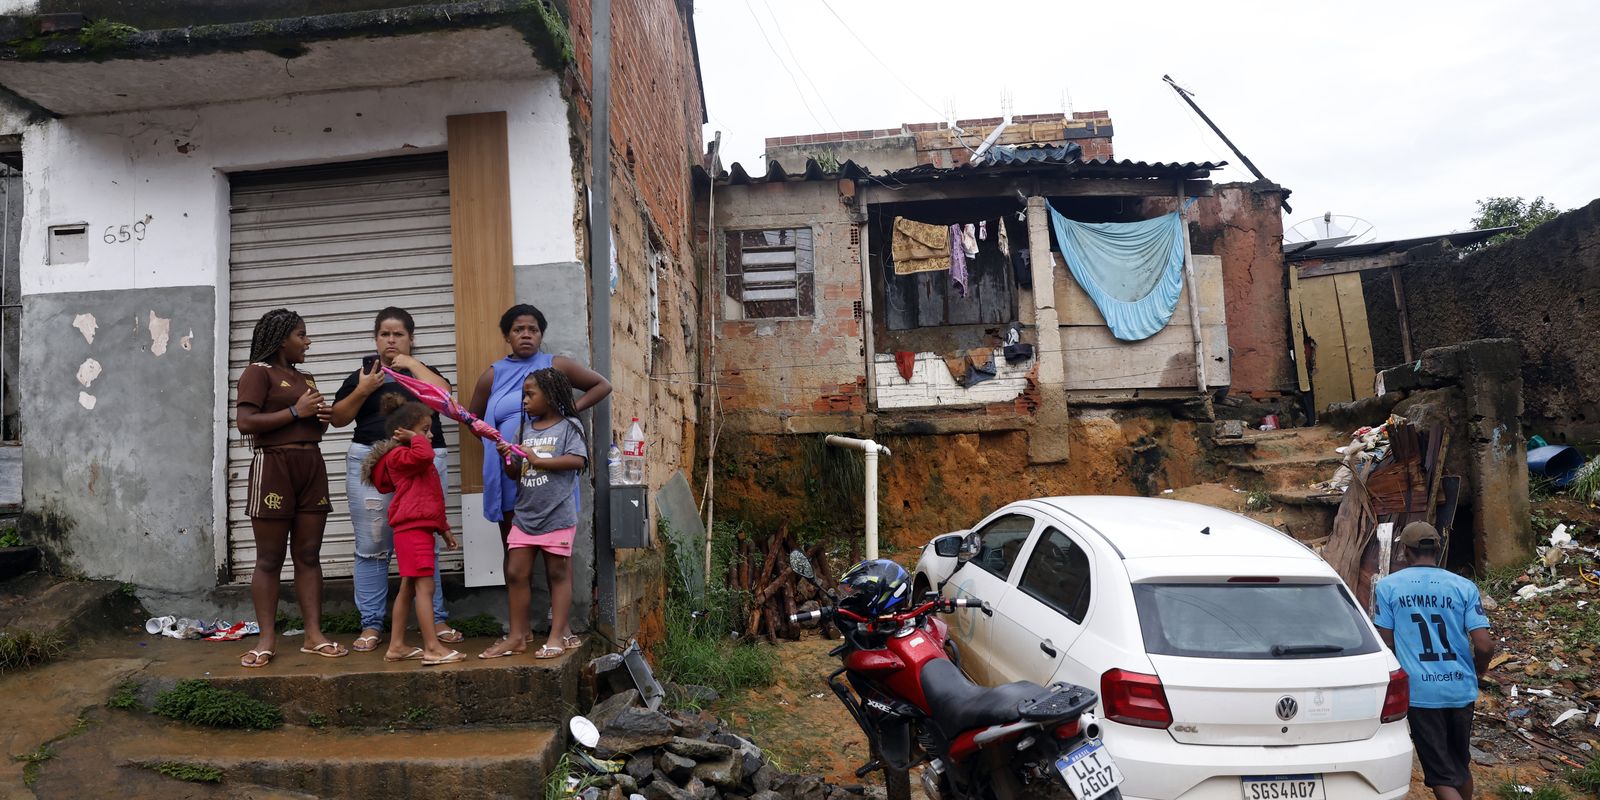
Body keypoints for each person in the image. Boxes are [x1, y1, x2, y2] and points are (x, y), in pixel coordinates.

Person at [467, 305, 609, 647]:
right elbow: (472, 418)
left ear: (541, 334)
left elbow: (601, 385)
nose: (526, 334)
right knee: (515, 553)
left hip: (549, 479)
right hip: (509, 471)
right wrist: (497, 445)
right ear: (507, 336)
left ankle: (560, 628)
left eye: (533, 329)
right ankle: (520, 630)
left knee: (555, 555)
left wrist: (566, 414)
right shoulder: (493, 374)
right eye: (518, 329)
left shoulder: (554, 367)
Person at [330, 307, 462, 652]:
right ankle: (371, 624)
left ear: (411, 339)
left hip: (423, 463)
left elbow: (447, 402)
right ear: (375, 338)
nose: (391, 340)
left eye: (398, 334)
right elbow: (338, 419)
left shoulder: (422, 371)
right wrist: (363, 389)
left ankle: (435, 618)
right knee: (372, 545)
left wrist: (412, 366)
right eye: (384, 334)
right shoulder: (363, 374)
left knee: (425, 537)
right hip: (372, 463)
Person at [234, 308, 348, 668]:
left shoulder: (306, 377)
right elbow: (245, 422)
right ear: (283, 339)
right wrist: (296, 413)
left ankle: (313, 635)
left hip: (310, 465)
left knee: (309, 554)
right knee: (269, 558)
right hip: (274, 467)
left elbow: (312, 429)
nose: (308, 342)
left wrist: (321, 418)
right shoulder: (257, 373)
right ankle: (266, 639)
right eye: (302, 335)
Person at [1374, 522, 1495, 800]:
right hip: (1460, 690)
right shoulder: (1463, 586)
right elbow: (1484, 644)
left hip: (1421, 694)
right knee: (1459, 767)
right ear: (1438, 549)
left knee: (1440, 775)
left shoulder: (1389, 587)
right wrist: (1478, 670)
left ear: (1405, 551)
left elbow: (1387, 642)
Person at [482, 368, 588, 659]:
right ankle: (517, 636)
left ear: (552, 396)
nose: (524, 401)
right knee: (516, 572)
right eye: (523, 395)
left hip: (556, 515)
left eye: (530, 394)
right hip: (525, 515)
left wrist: (538, 459)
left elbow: (577, 460)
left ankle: (557, 635)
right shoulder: (524, 430)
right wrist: (509, 458)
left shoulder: (569, 427)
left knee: (557, 573)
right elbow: (516, 472)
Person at [360, 394, 465, 666]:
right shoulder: (400, 456)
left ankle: (396, 646)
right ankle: (432, 647)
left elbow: (431, 497)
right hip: (412, 530)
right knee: (426, 588)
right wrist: (413, 438)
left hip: (420, 528)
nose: (430, 436)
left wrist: (444, 530)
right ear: (403, 433)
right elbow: (425, 453)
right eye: (424, 430)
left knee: (408, 587)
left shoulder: (415, 457)